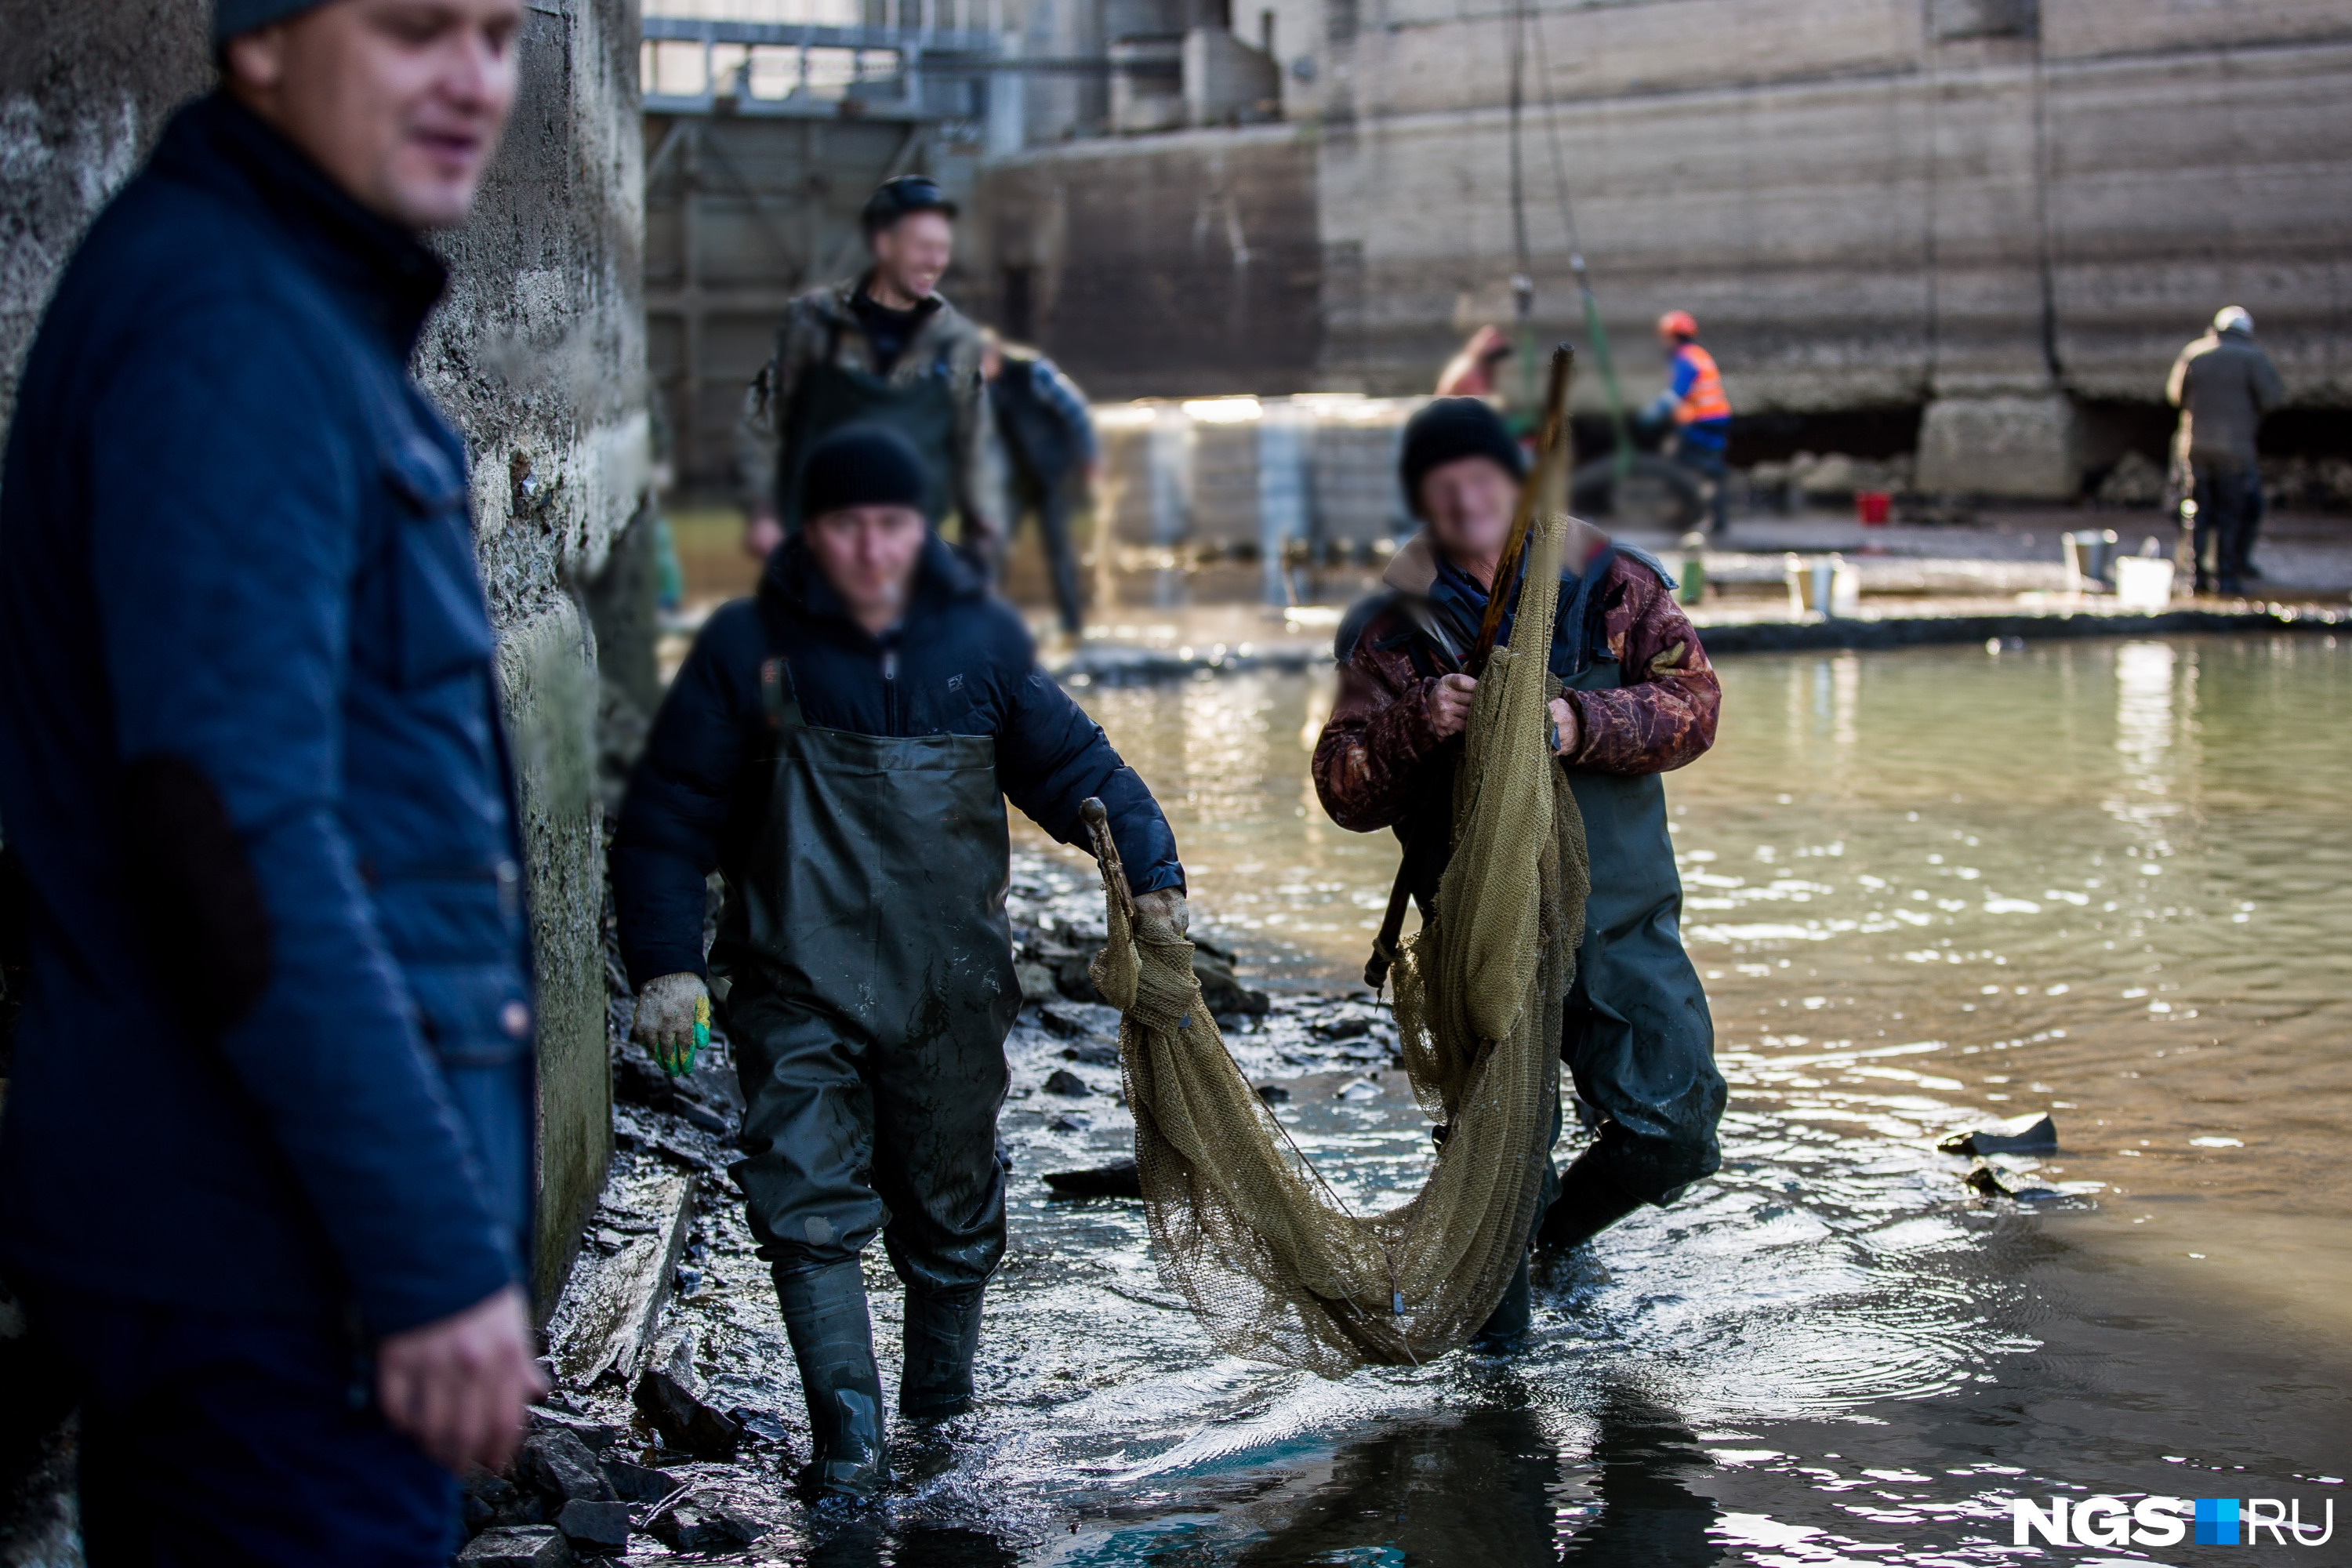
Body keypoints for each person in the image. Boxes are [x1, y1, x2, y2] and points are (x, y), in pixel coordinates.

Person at [0, 1, 544, 1560]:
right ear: (258, 42)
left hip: (268, 1253)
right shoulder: (233, 327)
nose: (474, 80)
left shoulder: (278, 301)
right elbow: (227, 833)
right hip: (275, 1274)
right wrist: (431, 1253)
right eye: (414, 29)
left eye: (501, 35)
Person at [612, 425, 1184, 1507]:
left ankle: (941, 1428)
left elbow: (1079, 771)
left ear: (923, 530)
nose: (872, 550)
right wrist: (665, 966)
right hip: (792, 987)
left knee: (952, 1211)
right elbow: (667, 816)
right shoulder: (748, 650)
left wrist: (1150, 877)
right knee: (804, 1201)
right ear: (805, 531)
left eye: (892, 524)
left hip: (949, 994)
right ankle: (849, 1456)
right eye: (845, 525)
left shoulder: (978, 648)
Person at [1312, 397, 1726, 1348]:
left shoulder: (1608, 580)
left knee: (1677, 1127)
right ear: (1421, 499)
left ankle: (1554, 1239)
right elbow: (1341, 786)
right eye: (1444, 486)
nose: (1469, 501)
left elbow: (1696, 706)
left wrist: (1586, 722)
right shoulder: (1389, 624)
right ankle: (1497, 1416)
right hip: (1481, 940)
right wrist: (1419, 719)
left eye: (1485, 480)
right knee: (1501, 1169)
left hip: (1621, 924)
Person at [736, 175, 1007, 564]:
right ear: (883, 244)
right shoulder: (813, 324)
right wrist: (762, 513)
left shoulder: (958, 343)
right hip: (813, 552)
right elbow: (761, 425)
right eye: (924, 247)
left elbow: (977, 450)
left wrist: (985, 532)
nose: (936, 261)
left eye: (943, 249)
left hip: (909, 559)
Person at [983, 329, 1100, 637]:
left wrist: (1090, 458)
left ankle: (1072, 623)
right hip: (1015, 478)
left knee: (1059, 549)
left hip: (1051, 472)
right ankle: (985, 621)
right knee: (994, 547)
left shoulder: (1032, 371)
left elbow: (1076, 411)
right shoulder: (982, 387)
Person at [2166, 306, 2284, 595]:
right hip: (2235, 450)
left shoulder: (2194, 352)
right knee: (2232, 511)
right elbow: (2272, 397)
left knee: (2197, 509)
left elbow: (2175, 395)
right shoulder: (2253, 357)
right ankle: (2227, 577)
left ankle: (2196, 578)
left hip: (2195, 447)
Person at [1645, 310, 1733, 535]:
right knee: (1711, 470)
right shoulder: (1699, 354)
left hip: (1701, 421)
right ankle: (1714, 518)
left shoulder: (1684, 360)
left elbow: (1677, 393)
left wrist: (1652, 413)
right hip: (1717, 417)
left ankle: (1691, 516)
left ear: (1673, 337)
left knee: (1683, 463)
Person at [1436, 325, 1515, 399]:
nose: (1497, 362)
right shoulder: (1472, 370)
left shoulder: (1466, 361)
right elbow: (1485, 402)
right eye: (1495, 356)